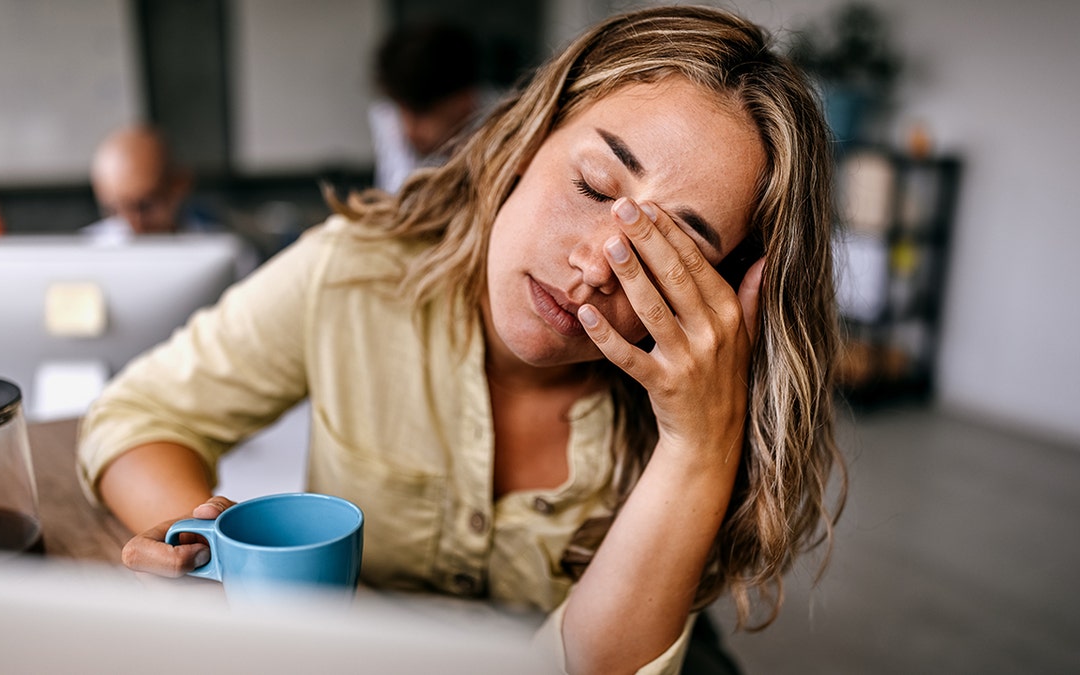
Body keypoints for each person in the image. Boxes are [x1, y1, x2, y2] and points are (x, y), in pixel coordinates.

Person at [78, 6, 844, 674]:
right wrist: (224, 566)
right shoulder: (353, 275)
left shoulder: (703, 404)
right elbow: (137, 417)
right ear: (527, 137)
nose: (592, 268)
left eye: (672, 251)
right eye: (594, 186)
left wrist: (698, 446)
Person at [368, 21, 492, 193]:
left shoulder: (503, 127)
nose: (409, 129)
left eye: (421, 113)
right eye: (402, 110)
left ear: (465, 100)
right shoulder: (389, 117)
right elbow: (395, 197)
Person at [84, 124, 216, 241]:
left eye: (144, 206)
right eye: (114, 210)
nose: (133, 225)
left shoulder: (218, 244)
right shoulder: (85, 250)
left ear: (180, 185)